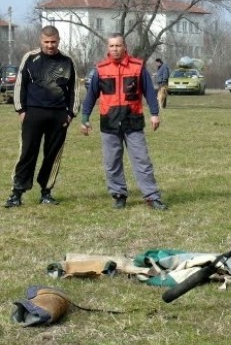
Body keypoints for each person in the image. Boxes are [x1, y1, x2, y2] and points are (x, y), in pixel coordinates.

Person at [81, 33, 167, 211]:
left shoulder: (137, 67)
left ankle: (152, 197)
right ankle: (119, 195)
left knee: (142, 160)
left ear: (124, 47)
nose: (115, 49)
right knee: (112, 162)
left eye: (118, 46)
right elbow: (91, 96)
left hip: (132, 121)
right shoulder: (101, 69)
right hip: (109, 122)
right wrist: (85, 118)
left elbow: (149, 92)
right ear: (108, 48)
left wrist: (154, 113)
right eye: (111, 46)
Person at [4, 25, 79, 208]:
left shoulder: (67, 61)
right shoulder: (30, 58)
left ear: (59, 40)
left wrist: (70, 114)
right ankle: (17, 193)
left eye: (53, 42)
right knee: (27, 153)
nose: (50, 45)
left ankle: (46, 192)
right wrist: (21, 110)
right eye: (46, 42)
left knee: (52, 156)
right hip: (33, 114)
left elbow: (74, 90)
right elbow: (20, 85)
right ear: (41, 40)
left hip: (58, 116)